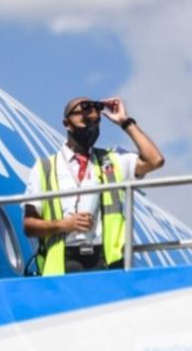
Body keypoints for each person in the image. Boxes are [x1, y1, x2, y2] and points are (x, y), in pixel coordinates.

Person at [23, 96, 165, 275]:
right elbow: (29, 225)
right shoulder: (45, 168)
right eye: (84, 118)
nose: (90, 124)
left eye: (95, 121)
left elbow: (155, 160)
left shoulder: (112, 160)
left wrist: (125, 122)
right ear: (67, 124)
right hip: (63, 265)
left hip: (107, 262)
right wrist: (65, 224)